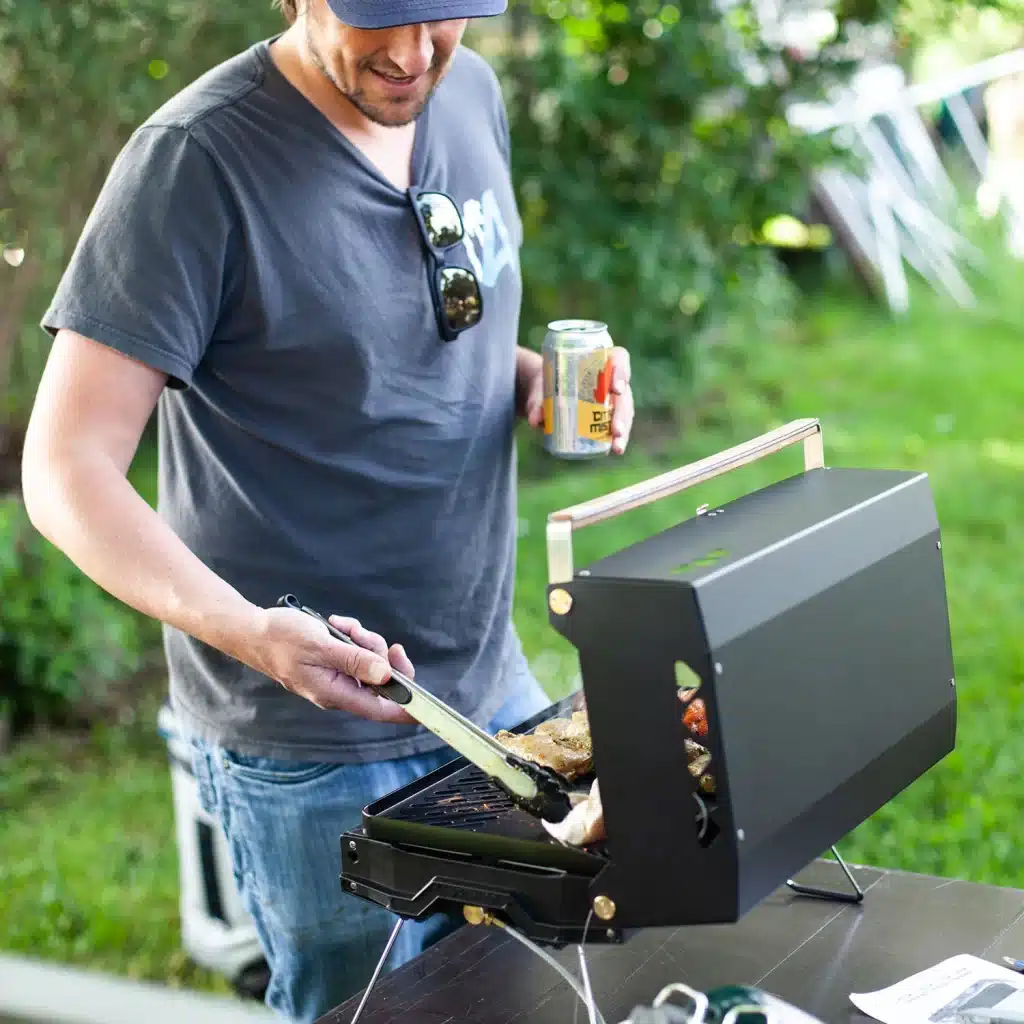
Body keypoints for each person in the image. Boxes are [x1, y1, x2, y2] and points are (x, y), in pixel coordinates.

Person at [20, 1, 635, 1021]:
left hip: (488, 683)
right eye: (374, 19)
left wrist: (527, 378)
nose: (407, 54)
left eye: (438, 17)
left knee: (530, 995)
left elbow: (387, 334)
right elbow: (66, 466)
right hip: (310, 734)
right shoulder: (195, 162)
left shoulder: (467, 91)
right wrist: (247, 631)